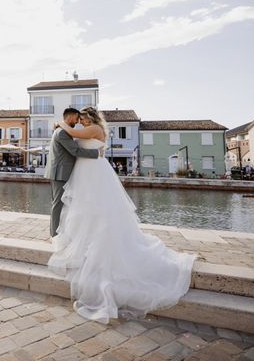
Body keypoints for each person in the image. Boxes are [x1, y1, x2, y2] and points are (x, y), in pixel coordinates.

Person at [48, 106, 195, 323]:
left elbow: (75, 135)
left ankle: (96, 241)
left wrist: (60, 123)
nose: (81, 121)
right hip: (87, 172)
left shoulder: (93, 128)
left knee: (98, 209)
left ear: (91, 118)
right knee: (88, 210)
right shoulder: (92, 129)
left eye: (84, 118)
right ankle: (86, 240)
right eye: (80, 119)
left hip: (93, 171)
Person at [44, 108, 99, 238]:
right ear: (71, 116)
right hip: (60, 173)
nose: (78, 121)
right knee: (58, 204)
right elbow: (75, 151)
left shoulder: (60, 130)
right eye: (77, 118)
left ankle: (59, 231)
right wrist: (97, 153)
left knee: (59, 204)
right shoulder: (62, 132)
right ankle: (55, 235)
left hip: (59, 172)